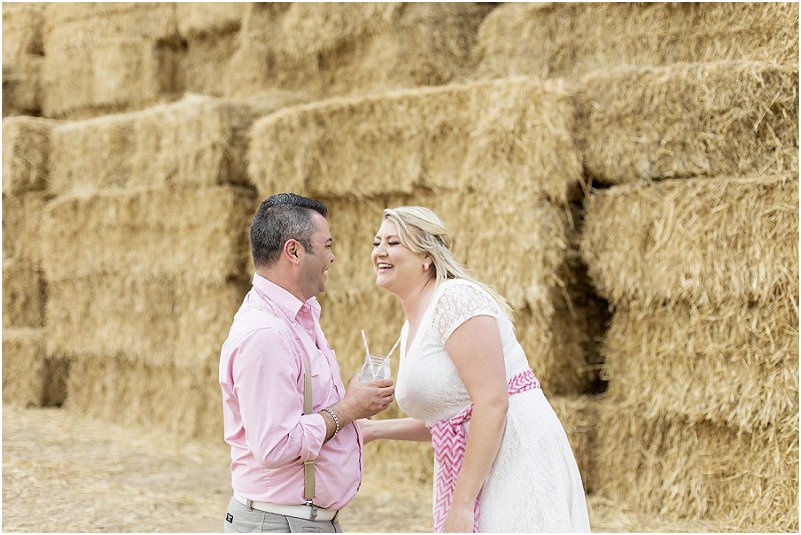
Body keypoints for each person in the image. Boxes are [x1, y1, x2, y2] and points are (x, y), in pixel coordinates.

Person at [360, 206, 591, 533]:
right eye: (376, 242)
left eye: (393, 243)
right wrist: (375, 431)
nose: (379, 251)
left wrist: (462, 503)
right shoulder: (415, 323)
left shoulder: (456, 299)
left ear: (427, 256)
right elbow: (451, 419)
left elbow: (493, 403)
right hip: (482, 462)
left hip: (515, 458)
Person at [219, 193, 395, 533]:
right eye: (326, 245)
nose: (332, 257)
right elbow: (275, 445)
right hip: (280, 524)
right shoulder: (265, 335)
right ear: (294, 251)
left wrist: (355, 401)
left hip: (299, 521)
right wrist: (348, 409)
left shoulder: (303, 316)